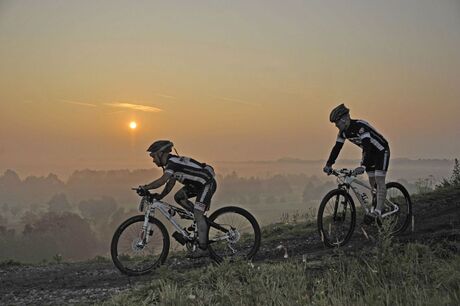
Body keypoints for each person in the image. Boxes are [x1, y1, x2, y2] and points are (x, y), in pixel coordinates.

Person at [138, 140, 217, 253]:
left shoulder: (173, 163)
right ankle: (199, 220)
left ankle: (202, 248)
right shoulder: (172, 164)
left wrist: (146, 187)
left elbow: (163, 180)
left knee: (198, 214)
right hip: (197, 185)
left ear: (161, 154)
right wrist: (160, 196)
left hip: (206, 184)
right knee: (179, 197)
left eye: (154, 157)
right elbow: (170, 184)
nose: (153, 160)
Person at [323, 104, 390, 219]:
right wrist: (329, 164)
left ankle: (378, 211)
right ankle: (377, 205)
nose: (336, 126)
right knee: (372, 183)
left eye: (337, 122)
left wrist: (363, 166)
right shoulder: (343, 133)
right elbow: (337, 148)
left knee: (379, 180)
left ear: (345, 119)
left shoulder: (360, 126)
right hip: (369, 154)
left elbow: (367, 146)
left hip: (381, 151)